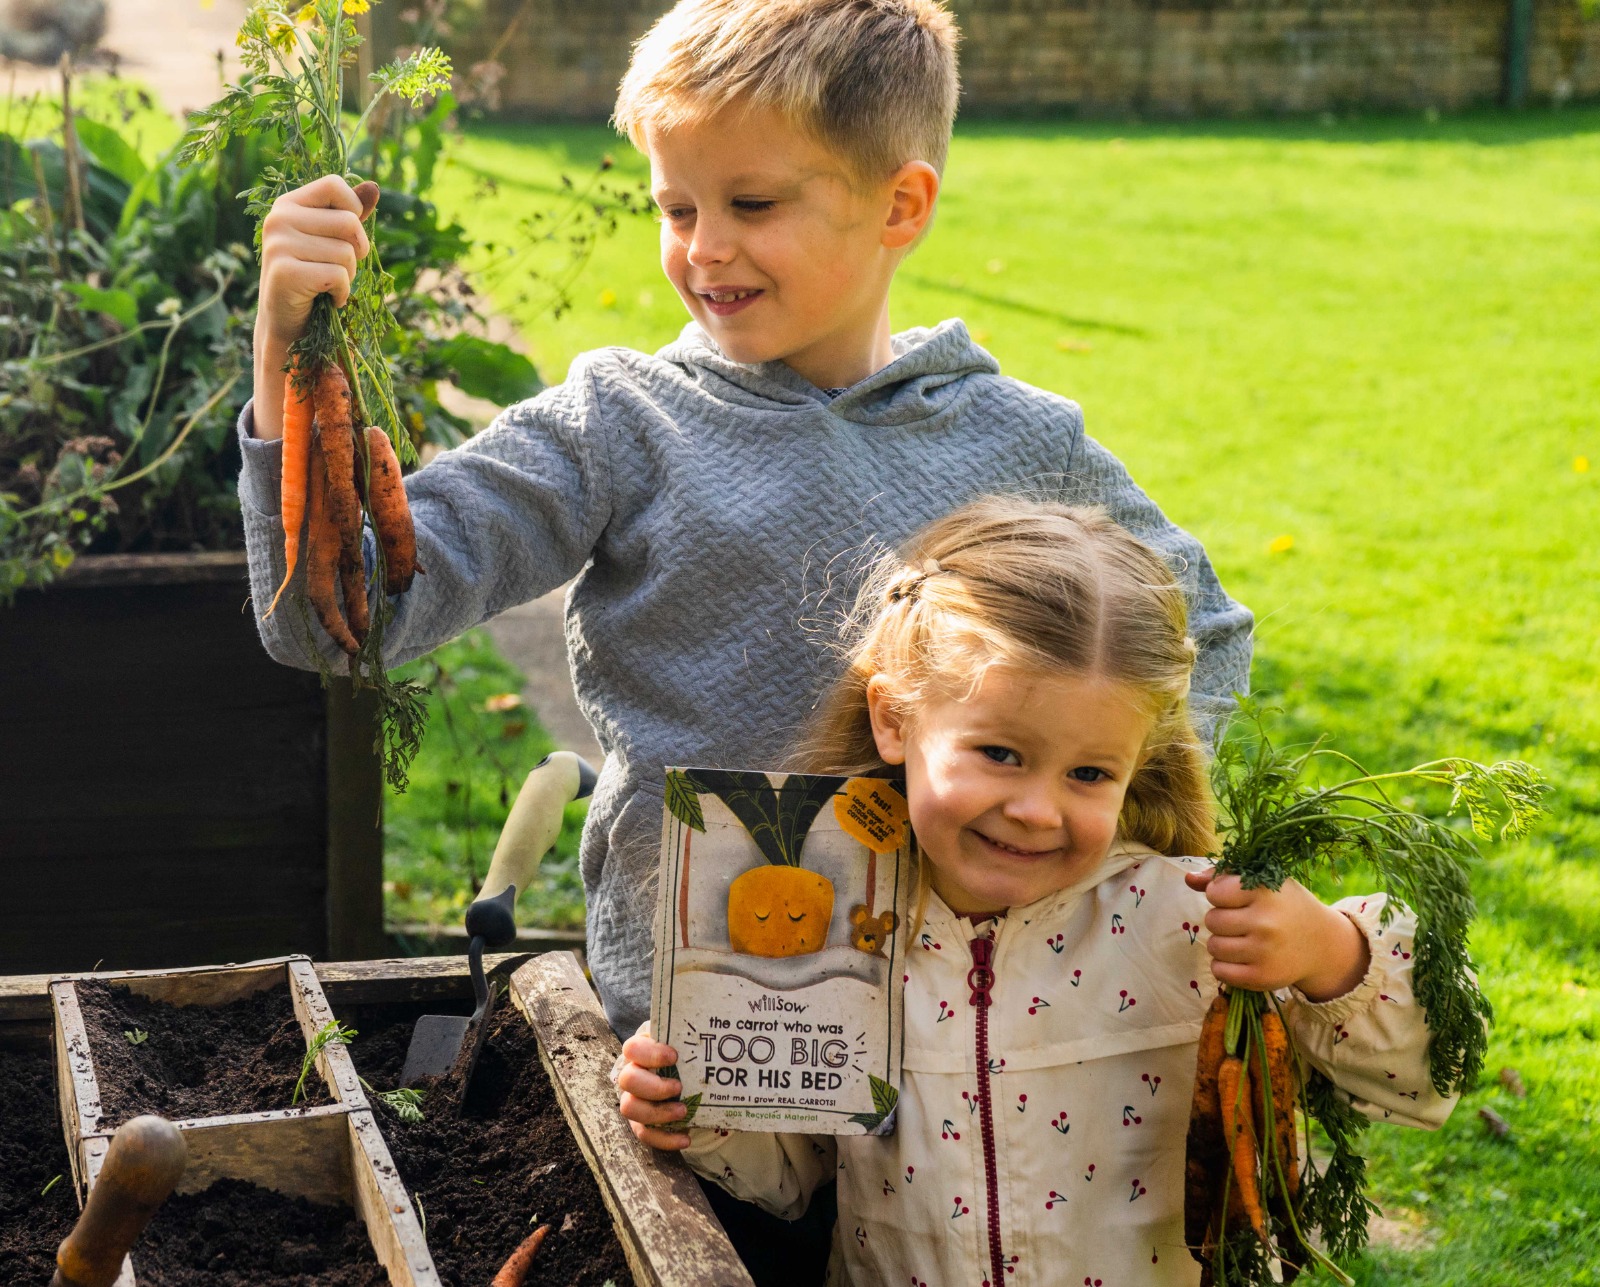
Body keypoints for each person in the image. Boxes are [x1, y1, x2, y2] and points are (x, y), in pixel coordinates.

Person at [615, 498, 1458, 1287]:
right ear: (895, 719)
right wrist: (699, 1100)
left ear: (1138, 765)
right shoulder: (843, 925)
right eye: (1000, 753)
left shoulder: (1191, 919)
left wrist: (1330, 955)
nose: (1036, 808)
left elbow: (1420, 1077)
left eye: (1088, 772)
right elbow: (795, 1170)